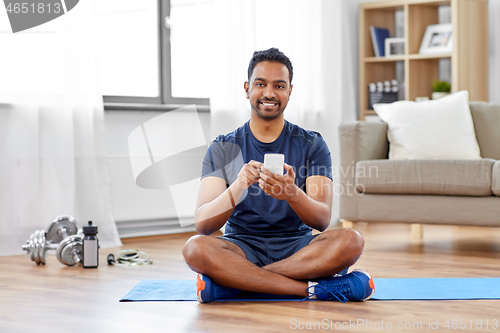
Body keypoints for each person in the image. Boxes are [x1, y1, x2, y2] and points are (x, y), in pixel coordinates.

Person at [182, 48, 374, 303]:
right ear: (247, 88)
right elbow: (204, 225)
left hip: (298, 248)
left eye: (279, 85)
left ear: (290, 91)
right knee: (195, 248)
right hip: (241, 247)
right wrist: (238, 186)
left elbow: (322, 220)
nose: (269, 93)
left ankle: (237, 283)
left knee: (351, 240)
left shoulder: (312, 144)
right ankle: (315, 289)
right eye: (260, 84)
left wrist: (293, 194)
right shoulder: (223, 147)